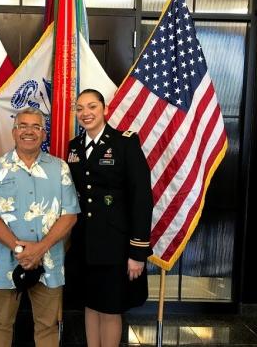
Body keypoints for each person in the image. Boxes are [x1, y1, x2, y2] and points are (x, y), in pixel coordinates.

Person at [0, 107, 80, 347]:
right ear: (14, 132)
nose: (29, 131)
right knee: (1, 323)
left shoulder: (60, 168)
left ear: (44, 134)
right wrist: (20, 249)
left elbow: (70, 215)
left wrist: (40, 249)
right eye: (23, 125)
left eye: (36, 127)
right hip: (5, 262)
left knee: (47, 326)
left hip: (50, 262)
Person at [66, 89, 153, 347]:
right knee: (90, 304)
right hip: (84, 243)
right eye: (79, 108)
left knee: (110, 308)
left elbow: (141, 198)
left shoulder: (125, 143)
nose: (85, 113)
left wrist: (137, 251)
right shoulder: (74, 147)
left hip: (115, 243)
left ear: (104, 109)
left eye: (92, 106)